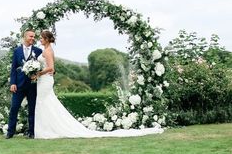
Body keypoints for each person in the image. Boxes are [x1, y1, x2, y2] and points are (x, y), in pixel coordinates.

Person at [32, 30, 163, 139]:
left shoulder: (48, 51)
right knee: (46, 103)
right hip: (44, 80)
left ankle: (48, 130)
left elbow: (51, 68)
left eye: (42, 38)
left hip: (45, 80)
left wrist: (38, 73)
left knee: (44, 103)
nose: (40, 40)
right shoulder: (47, 50)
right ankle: (48, 128)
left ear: (47, 39)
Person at [7, 29, 43, 139]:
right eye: (31, 36)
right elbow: (13, 69)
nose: (33, 38)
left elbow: (42, 66)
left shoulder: (38, 51)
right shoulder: (17, 51)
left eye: (34, 37)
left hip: (33, 85)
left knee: (32, 109)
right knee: (14, 108)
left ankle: (32, 132)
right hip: (19, 85)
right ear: (25, 37)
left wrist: (37, 74)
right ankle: (10, 132)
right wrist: (13, 83)